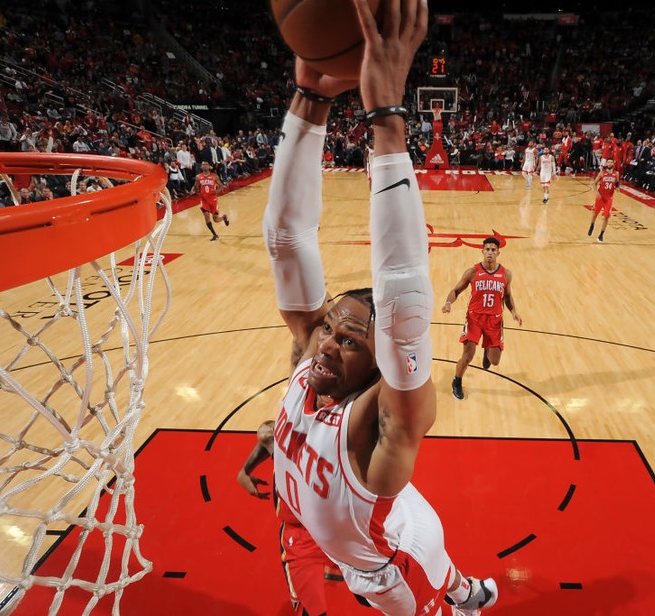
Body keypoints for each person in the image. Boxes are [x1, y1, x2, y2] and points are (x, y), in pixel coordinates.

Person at [263, 1, 497, 614]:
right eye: (330, 327)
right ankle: (465, 586)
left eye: (350, 341)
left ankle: (458, 595)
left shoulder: (383, 425)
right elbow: (288, 240)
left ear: (379, 370)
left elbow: (401, 289)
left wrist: (387, 121)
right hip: (364, 524)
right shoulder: (311, 362)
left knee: (431, 572)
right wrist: (307, 100)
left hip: (393, 570)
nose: (327, 341)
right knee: (423, 538)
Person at [238, 421, 338, 616]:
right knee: (312, 609)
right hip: (304, 535)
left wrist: (245, 471)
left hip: (332, 528)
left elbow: (266, 433)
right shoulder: (287, 441)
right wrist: (244, 471)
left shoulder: (330, 440)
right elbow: (267, 433)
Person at [442, 237, 522, 401]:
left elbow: (507, 296)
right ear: (482, 251)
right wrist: (448, 302)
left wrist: (514, 311)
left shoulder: (506, 274)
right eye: (487, 249)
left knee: (495, 361)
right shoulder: (472, 272)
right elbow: (456, 290)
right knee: (468, 356)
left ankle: (487, 351)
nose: (490, 253)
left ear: (498, 252)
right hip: (474, 319)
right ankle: (457, 381)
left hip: (494, 321)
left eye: (493, 250)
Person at [193, 160, 230, 241]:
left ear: (209, 166)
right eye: (203, 164)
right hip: (203, 200)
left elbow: (221, 185)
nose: (205, 166)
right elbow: (196, 186)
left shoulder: (214, 176)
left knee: (215, 219)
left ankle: (223, 218)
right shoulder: (198, 177)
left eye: (206, 164)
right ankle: (215, 235)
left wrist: (217, 191)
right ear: (201, 167)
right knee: (206, 217)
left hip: (213, 199)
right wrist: (194, 190)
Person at [587, 157, 620, 243]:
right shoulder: (602, 173)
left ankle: (601, 234)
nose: (609, 164)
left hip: (609, 197)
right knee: (595, 213)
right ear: (606, 164)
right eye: (608, 162)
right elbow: (594, 184)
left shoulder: (616, 173)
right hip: (601, 196)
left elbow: (617, 183)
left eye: (611, 162)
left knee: (606, 216)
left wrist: (617, 188)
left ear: (613, 164)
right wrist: (596, 192)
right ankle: (592, 225)